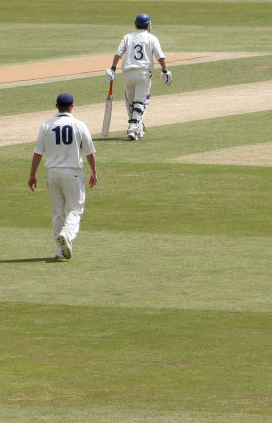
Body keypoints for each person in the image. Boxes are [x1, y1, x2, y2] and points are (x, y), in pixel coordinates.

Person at [28, 93, 98, 260]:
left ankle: (60, 250)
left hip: (52, 173)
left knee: (58, 212)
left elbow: (38, 153)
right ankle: (67, 235)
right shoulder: (79, 125)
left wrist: (32, 175)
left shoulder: (46, 125)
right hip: (72, 173)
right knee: (74, 209)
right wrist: (94, 172)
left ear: (56, 106)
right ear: (72, 106)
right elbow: (89, 152)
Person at [106, 13, 172, 141]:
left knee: (130, 102)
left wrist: (112, 68)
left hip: (127, 73)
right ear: (148, 25)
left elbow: (118, 54)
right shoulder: (152, 38)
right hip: (143, 73)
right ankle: (133, 128)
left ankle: (138, 127)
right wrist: (165, 70)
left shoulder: (128, 37)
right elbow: (160, 57)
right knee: (141, 102)